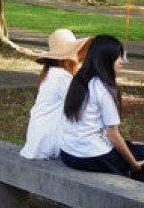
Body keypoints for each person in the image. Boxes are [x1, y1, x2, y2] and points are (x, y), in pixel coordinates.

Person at [60, 34, 144, 184]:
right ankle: (138, 201)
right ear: (105, 59)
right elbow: (113, 135)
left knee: (135, 146)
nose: (122, 61)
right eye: (118, 57)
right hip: (90, 156)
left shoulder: (79, 80)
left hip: (68, 153)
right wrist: (134, 164)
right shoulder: (103, 89)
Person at [20, 29, 92, 160]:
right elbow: (83, 103)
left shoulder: (51, 73)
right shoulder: (61, 77)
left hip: (37, 139)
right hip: (46, 143)